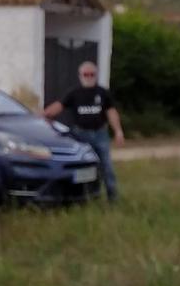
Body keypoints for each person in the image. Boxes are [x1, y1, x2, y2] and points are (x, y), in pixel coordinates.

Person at [42, 61, 124, 201]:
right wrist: (43, 115)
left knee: (107, 167)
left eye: (92, 74)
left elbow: (111, 112)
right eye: (86, 74)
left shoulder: (102, 92)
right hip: (81, 136)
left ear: (96, 75)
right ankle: (82, 197)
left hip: (100, 135)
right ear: (80, 75)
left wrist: (118, 131)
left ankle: (113, 198)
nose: (89, 77)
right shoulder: (74, 93)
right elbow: (59, 106)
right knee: (82, 168)